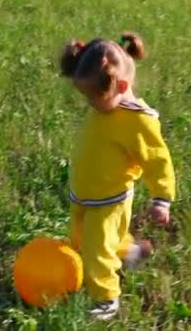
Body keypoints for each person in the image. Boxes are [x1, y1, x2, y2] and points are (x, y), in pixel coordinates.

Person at [60, 32, 176, 320]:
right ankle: (133, 252)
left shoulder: (138, 121)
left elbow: (157, 159)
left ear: (121, 86)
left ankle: (106, 298)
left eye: (95, 99)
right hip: (85, 193)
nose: (91, 104)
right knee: (80, 240)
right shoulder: (105, 105)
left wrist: (162, 198)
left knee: (96, 249)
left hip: (109, 199)